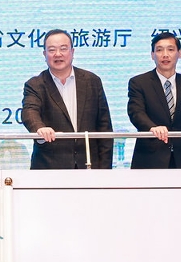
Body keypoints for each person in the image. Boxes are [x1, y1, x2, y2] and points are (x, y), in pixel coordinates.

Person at [21, 29, 113, 169]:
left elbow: (104, 127)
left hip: (89, 164)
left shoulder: (92, 81)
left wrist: (105, 169)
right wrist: (40, 128)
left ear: (72, 52)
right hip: (49, 166)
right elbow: (29, 111)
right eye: (52, 50)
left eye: (63, 49)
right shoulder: (35, 84)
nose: (58, 54)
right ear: (44, 54)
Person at [127, 31, 181, 169]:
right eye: (159, 50)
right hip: (149, 160)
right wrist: (152, 127)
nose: (165, 55)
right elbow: (136, 113)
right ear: (152, 55)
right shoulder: (139, 83)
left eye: (170, 49)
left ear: (179, 53)